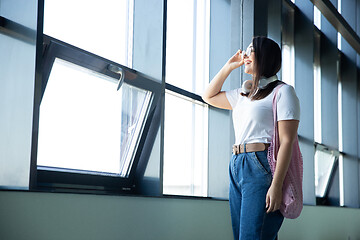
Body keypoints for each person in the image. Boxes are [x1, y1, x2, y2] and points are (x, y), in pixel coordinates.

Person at [202, 36, 300, 240]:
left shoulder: (283, 92)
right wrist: (229, 67)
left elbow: (287, 142)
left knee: (253, 235)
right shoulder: (244, 95)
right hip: (237, 163)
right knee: (241, 235)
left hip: (262, 164)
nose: (245, 55)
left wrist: (276, 185)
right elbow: (208, 96)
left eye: (251, 50)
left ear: (265, 56)